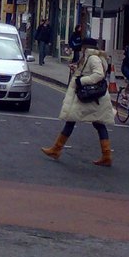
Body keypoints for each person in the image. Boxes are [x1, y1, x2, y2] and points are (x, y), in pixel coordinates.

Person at [41, 37, 116, 167]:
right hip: (95, 98)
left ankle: (56, 149)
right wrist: (76, 68)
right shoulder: (91, 57)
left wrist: (81, 80)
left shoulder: (93, 58)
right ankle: (106, 155)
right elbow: (90, 71)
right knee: (97, 123)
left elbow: (99, 74)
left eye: (82, 46)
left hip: (91, 96)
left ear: (86, 47)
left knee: (73, 119)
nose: (81, 48)